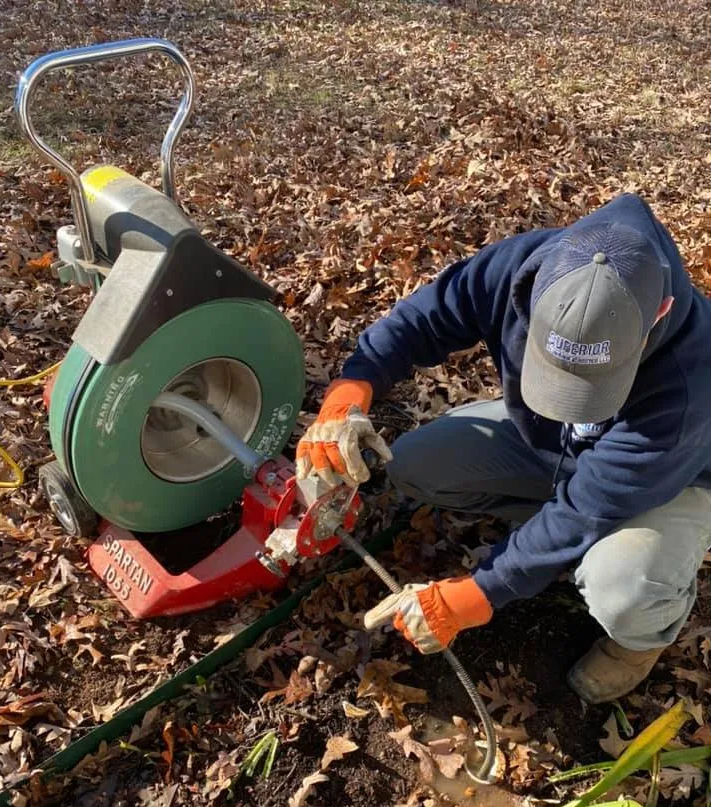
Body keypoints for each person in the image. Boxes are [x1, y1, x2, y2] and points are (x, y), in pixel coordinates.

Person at [296, 193, 711, 703]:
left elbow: (589, 509)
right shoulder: (520, 266)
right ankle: (549, 542)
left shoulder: (691, 383)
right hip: (551, 443)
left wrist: (476, 597)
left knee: (624, 588)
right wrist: (347, 396)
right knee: (416, 465)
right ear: (535, 291)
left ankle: (641, 636)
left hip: (667, 484)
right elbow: (418, 322)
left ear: (661, 312)